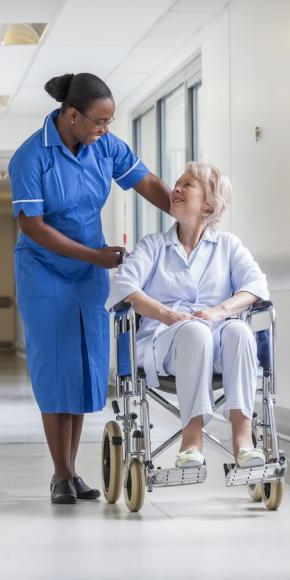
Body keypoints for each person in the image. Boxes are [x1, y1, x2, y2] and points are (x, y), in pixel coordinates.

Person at [9, 73, 171, 504]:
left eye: (110, 121)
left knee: (82, 367)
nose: (106, 130)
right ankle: (61, 474)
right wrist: (94, 256)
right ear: (72, 115)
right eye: (100, 121)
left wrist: (189, 211)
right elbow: (32, 226)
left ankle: (72, 472)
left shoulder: (105, 147)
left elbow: (148, 183)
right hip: (44, 270)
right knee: (54, 369)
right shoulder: (31, 156)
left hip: (87, 272)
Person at [107, 162, 268, 469]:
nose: (175, 189)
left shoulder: (228, 246)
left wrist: (220, 310)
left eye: (187, 185)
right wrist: (166, 314)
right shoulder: (153, 246)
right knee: (195, 331)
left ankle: (243, 440)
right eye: (177, 183)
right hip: (165, 343)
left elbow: (256, 286)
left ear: (208, 205)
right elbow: (124, 286)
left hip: (219, 337)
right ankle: (191, 440)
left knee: (239, 331)